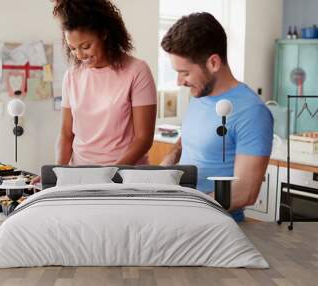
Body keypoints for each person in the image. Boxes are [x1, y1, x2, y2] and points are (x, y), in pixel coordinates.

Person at [160, 12, 273, 222]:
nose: (178, 82)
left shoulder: (252, 112)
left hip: (214, 226)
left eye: (184, 73)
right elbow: (192, 138)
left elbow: (245, 191)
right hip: (180, 216)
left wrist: (187, 209)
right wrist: (170, 159)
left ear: (213, 63)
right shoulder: (199, 95)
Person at [31, 0, 157, 185]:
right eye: (73, 48)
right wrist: (58, 172)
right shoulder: (72, 76)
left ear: (104, 33)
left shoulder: (137, 71)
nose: (80, 55)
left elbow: (143, 139)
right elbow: (66, 134)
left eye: (86, 46)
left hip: (126, 177)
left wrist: (109, 175)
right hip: (80, 175)